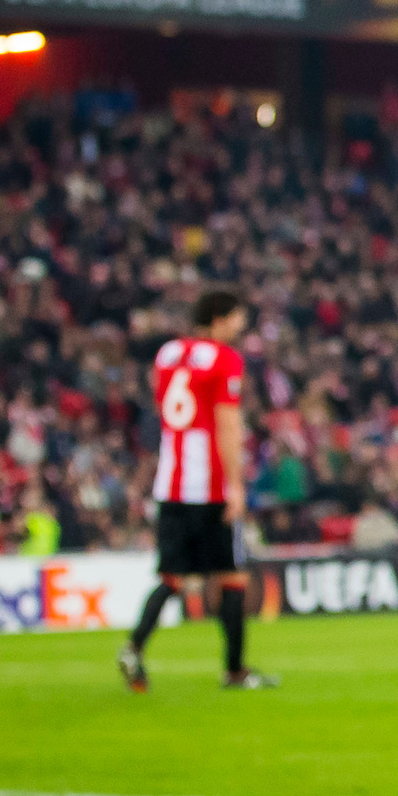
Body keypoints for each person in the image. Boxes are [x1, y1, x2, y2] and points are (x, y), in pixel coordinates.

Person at [119, 288, 269, 692]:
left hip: (171, 483)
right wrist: (235, 486)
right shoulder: (225, 359)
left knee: (172, 577)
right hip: (210, 486)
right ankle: (235, 671)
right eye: (238, 318)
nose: (241, 326)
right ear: (220, 319)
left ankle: (134, 647)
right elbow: (227, 424)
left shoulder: (167, 354)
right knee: (232, 577)